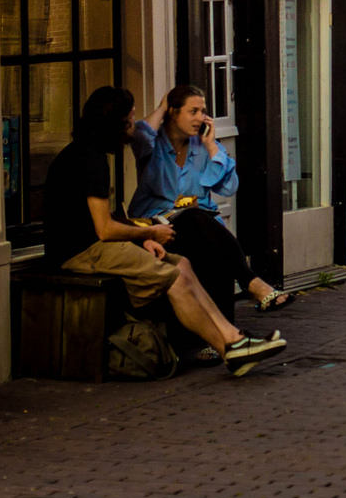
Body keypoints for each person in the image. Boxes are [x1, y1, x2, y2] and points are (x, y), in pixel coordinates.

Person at [46, 86, 283, 377]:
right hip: (80, 252)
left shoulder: (90, 154)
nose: (133, 127)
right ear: (115, 124)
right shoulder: (92, 160)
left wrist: (142, 236)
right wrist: (147, 235)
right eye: (129, 120)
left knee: (184, 261)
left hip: (105, 241)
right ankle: (229, 347)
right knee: (174, 277)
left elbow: (103, 219)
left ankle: (234, 338)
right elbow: (104, 230)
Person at [129, 85, 288, 314]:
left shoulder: (201, 146)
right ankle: (250, 284)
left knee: (211, 244)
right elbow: (139, 133)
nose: (200, 118)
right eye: (192, 111)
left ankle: (221, 343)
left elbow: (229, 187)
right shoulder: (152, 145)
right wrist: (162, 107)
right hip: (156, 222)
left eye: (202, 112)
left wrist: (213, 146)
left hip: (197, 226)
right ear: (173, 113)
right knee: (199, 223)